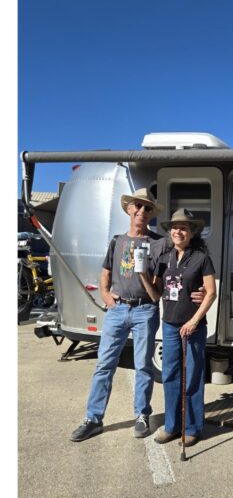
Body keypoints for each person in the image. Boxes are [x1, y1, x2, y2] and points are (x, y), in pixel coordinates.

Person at [70, 189, 170, 442]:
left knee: (143, 365)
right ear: (129, 209)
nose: (142, 211)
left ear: (151, 214)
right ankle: (93, 419)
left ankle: (142, 415)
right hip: (117, 310)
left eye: (148, 208)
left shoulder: (159, 244)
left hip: (145, 309)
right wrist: (105, 294)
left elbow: (159, 286)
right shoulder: (117, 241)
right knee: (104, 364)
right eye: (138, 205)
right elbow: (105, 271)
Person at [141, 209, 217, 447]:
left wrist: (194, 321)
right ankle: (172, 426)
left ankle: (192, 428)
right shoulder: (164, 258)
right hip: (170, 325)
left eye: (183, 228)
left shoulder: (201, 258)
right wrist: (142, 274)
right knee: (170, 376)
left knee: (192, 377)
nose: (178, 231)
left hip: (193, 327)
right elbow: (156, 294)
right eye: (175, 227)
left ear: (192, 232)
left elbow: (211, 293)